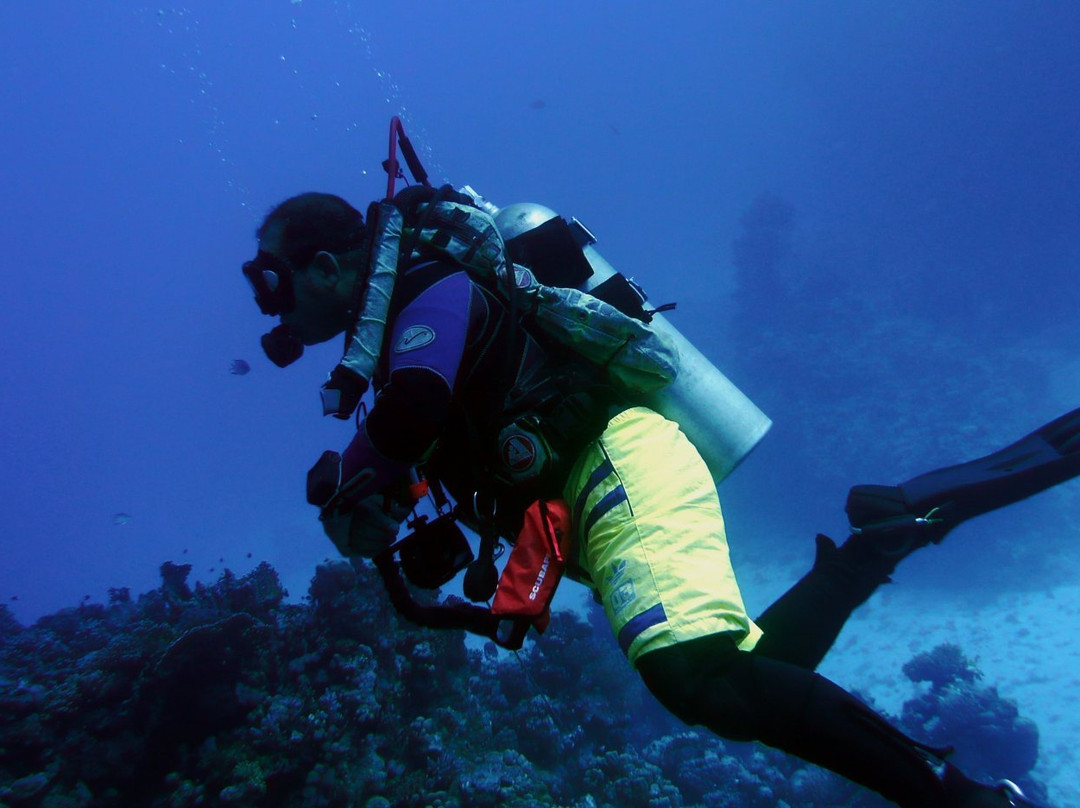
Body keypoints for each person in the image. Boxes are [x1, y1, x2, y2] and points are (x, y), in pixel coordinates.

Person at [243, 183, 1076, 808]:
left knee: (695, 676)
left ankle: (964, 799)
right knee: (744, 679)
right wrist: (374, 508)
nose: (267, 308)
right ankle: (877, 544)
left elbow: (416, 409)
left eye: (270, 283)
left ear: (326, 268)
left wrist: (348, 477)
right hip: (594, 489)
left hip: (614, 459)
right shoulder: (400, 342)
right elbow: (428, 439)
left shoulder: (430, 289)